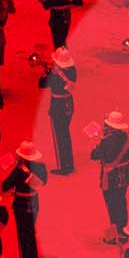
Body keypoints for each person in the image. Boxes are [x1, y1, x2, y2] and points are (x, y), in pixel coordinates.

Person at [1, 142, 47, 258]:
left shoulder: (19, 171)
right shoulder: (40, 167)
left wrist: (16, 170)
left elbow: (5, 185)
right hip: (34, 201)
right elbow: (44, 181)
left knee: (24, 236)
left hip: (21, 203)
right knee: (31, 233)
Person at [91, 110, 129, 243]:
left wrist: (100, 144)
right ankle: (124, 230)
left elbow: (94, 155)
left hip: (111, 177)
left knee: (112, 206)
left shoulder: (108, 141)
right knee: (121, 202)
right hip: (124, 174)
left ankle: (117, 234)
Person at [42, 47, 78, 175]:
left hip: (57, 105)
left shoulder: (55, 74)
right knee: (65, 135)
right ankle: (70, 163)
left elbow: (42, 84)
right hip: (68, 103)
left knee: (59, 137)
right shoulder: (72, 70)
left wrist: (47, 72)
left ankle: (64, 166)